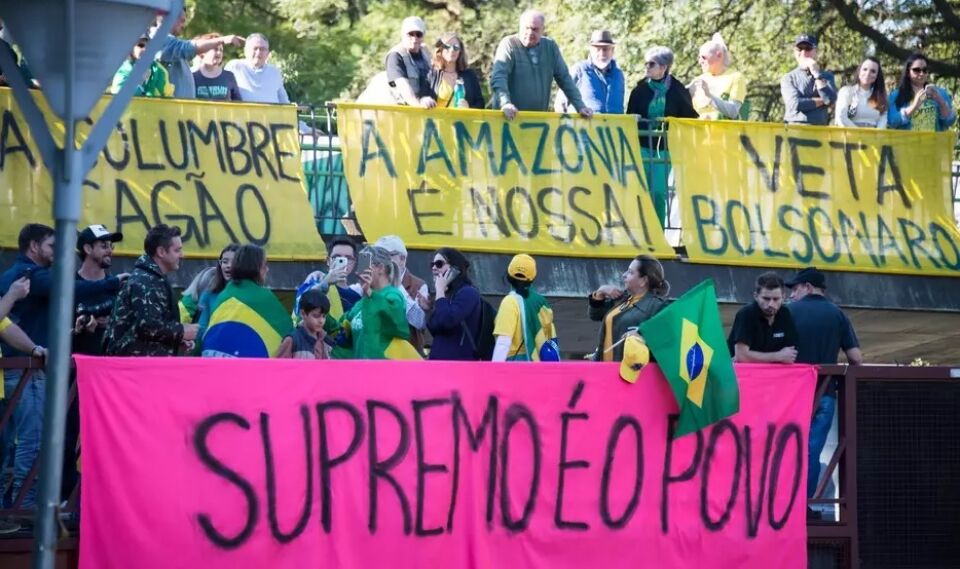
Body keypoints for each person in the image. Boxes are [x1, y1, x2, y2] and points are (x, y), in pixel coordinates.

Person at [784, 267, 862, 513]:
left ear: (807, 287)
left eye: (794, 289)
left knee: (784, 449)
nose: (791, 296)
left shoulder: (788, 312)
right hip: (825, 394)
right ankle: (803, 507)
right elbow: (855, 358)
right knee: (811, 450)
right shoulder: (837, 314)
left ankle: (781, 505)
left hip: (790, 395)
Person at [626, 46, 697, 227]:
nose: (647, 67)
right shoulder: (639, 90)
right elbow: (629, 116)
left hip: (664, 149)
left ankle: (657, 235)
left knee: (658, 192)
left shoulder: (678, 90)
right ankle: (640, 233)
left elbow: (689, 118)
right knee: (642, 191)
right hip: (642, 146)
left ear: (664, 68)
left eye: (651, 64)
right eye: (646, 63)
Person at [103, 224, 198, 356]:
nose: (182, 255)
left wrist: (176, 339)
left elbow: (152, 329)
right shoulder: (145, 281)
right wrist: (182, 331)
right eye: (177, 250)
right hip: (131, 369)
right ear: (161, 252)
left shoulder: (153, 278)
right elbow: (148, 326)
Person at [491, 9, 594, 120]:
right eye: (526, 28)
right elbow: (499, 77)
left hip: (537, 121)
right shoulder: (509, 44)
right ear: (520, 27)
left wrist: (580, 106)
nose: (530, 33)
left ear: (542, 30)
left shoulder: (550, 47)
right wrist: (505, 103)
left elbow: (565, 79)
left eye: (535, 29)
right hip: (508, 118)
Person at [201, 244, 292, 358]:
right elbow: (287, 329)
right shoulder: (264, 297)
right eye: (264, 265)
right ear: (256, 267)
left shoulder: (224, 295)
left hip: (216, 365)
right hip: (248, 368)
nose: (267, 269)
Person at [340, 246, 419, 360]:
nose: (359, 272)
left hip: (384, 370)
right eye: (360, 266)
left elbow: (396, 320)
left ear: (380, 268)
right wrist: (324, 285)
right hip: (361, 370)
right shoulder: (361, 303)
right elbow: (339, 328)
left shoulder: (393, 295)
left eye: (365, 265)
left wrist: (369, 292)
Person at [588, 254, 669, 362]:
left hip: (630, 373)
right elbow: (595, 315)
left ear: (643, 280)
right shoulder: (622, 298)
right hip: (605, 370)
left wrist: (642, 338)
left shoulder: (658, 306)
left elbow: (665, 340)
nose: (624, 275)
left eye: (630, 272)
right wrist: (600, 292)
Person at [155, 11, 244, 99]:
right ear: (171, 18)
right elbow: (188, 48)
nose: (183, 26)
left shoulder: (171, 43)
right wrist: (222, 40)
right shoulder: (160, 39)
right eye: (182, 21)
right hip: (169, 108)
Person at [492, 254, 559, 362]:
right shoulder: (541, 303)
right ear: (532, 278)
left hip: (514, 367)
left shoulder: (510, 302)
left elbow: (503, 342)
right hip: (536, 365)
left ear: (509, 275)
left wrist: (494, 372)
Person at [73, 224, 126, 356]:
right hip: (74, 367)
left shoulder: (118, 286)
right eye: (104, 246)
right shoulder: (69, 286)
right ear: (88, 248)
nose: (109, 251)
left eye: (110, 246)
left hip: (107, 366)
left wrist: (112, 323)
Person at [727, 271, 798, 363]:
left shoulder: (785, 313)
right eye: (766, 299)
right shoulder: (746, 314)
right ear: (756, 296)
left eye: (776, 299)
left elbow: (790, 354)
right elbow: (741, 356)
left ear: (783, 297)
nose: (771, 304)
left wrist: (753, 356)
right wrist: (778, 356)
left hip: (774, 374)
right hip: (745, 374)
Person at [373, 235, 428, 353]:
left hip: (407, 354)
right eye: (377, 256)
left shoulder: (418, 285)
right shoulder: (372, 283)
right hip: (378, 352)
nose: (380, 261)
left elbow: (420, 322)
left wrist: (396, 284)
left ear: (402, 258)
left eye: (386, 256)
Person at [426, 248, 483, 360]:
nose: (434, 268)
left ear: (454, 268)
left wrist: (440, 291)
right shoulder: (446, 294)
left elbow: (447, 321)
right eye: (432, 264)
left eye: (439, 264)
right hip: (439, 364)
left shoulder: (468, 293)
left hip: (459, 365)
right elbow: (435, 329)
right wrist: (428, 309)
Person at [293, 237, 363, 323]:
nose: (343, 261)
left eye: (348, 258)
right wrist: (325, 283)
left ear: (354, 263)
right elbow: (300, 307)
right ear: (328, 261)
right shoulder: (313, 282)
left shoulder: (357, 296)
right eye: (337, 257)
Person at [554, 30, 624, 115]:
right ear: (591, 50)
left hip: (613, 127)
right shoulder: (579, 70)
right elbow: (560, 103)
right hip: (581, 127)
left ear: (612, 51)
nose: (602, 53)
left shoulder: (619, 75)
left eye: (605, 49)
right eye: (598, 49)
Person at [888, 53, 957, 132]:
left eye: (925, 70)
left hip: (934, 143)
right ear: (908, 72)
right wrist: (914, 106)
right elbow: (892, 122)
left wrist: (940, 101)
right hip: (907, 143)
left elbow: (949, 122)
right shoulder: (896, 95)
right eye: (916, 70)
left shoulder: (939, 93)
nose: (921, 73)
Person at [780, 33, 837, 125]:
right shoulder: (788, 78)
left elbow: (831, 100)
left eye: (808, 48)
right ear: (795, 52)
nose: (803, 52)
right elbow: (795, 104)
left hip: (819, 129)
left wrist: (816, 75)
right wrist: (823, 100)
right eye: (799, 48)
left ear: (815, 51)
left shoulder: (827, 76)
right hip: (794, 128)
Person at [688, 33, 748, 120]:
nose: (700, 62)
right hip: (699, 132)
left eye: (703, 57)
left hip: (726, 132)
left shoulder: (736, 77)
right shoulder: (699, 80)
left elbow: (733, 111)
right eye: (699, 58)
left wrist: (709, 97)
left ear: (719, 55)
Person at [383, 17, 437, 108]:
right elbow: (403, 87)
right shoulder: (395, 55)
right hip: (403, 110)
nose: (414, 38)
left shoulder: (426, 52)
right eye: (410, 34)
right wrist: (419, 107)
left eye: (418, 34)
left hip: (427, 107)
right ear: (403, 35)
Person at [224, 33, 291, 104]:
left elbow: (284, 100)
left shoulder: (274, 72)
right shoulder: (235, 66)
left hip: (271, 114)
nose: (258, 52)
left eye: (262, 49)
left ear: (267, 53)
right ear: (245, 51)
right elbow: (223, 94)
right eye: (255, 48)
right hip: (243, 114)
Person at [427, 32, 484, 109]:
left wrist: (468, 107)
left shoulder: (470, 75)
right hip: (437, 120)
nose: (452, 50)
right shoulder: (432, 74)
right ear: (440, 49)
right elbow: (422, 99)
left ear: (460, 51)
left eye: (456, 47)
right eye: (447, 46)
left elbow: (480, 104)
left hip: (463, 120)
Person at [834, 57, 887, 128]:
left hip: (873, 137)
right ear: (859, 71)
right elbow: (841, 117)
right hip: (850, 135)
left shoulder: (879, 96)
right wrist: (860, 134)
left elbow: (883, 118)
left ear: (877, 76)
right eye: (865, 69)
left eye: (873, 71)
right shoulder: (847, 92)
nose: (868, 73)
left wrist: (876, 135)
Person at [277, 289, 331, 359]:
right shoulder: (292, 340)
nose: (321, 321)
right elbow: (278, 367)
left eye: (324, 316)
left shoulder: (325, 341)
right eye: (316, 316)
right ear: (303, 314)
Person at [193, 33, 242, 101]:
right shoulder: (193, 77)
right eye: (215, 49)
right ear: (203, 52)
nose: (219, 53)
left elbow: (238, 104)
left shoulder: (229, 76)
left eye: (221, 50)